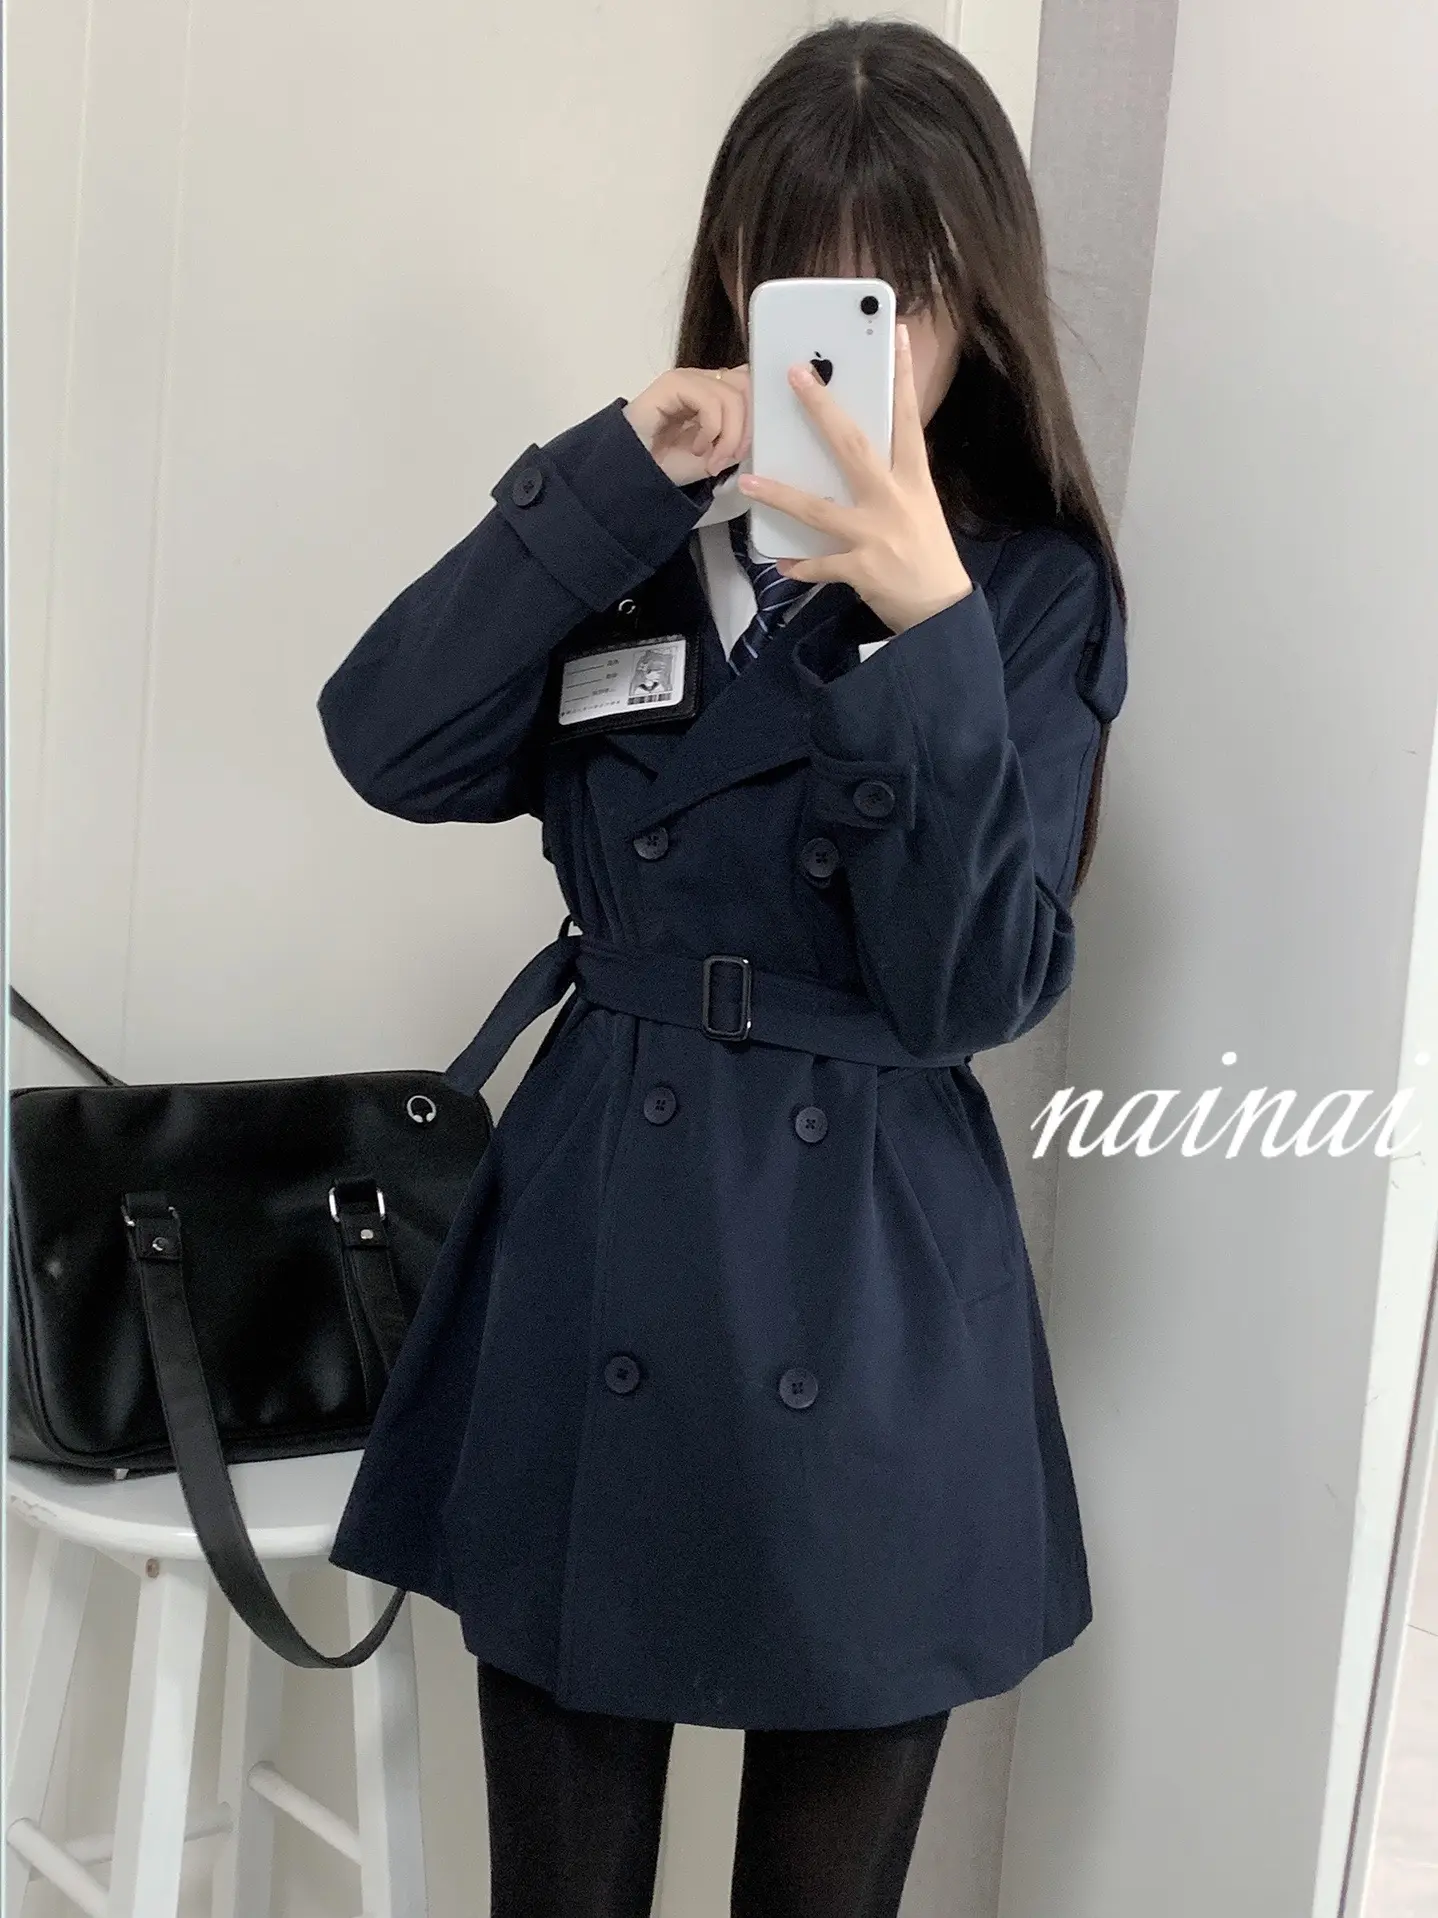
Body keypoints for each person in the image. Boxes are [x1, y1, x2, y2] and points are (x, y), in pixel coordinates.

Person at [315, 16, 1128, 1916]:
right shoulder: (627, 544)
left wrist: (921, 626)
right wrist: (620, 464)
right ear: (740, 282)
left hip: (867, 1291)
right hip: (599, 1232)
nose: (864, 347)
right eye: (810, 282)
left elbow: (971, 989)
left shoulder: (1026, 595)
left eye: (903, 291)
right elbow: (388, 741)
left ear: (974, 303)